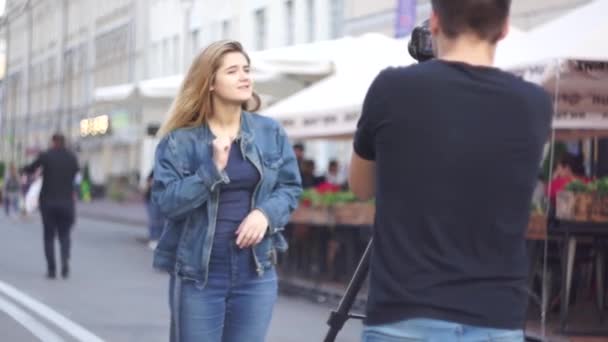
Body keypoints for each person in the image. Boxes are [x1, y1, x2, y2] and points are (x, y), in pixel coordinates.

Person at [348, 1, 553, 341]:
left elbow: (360, 186)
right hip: (496, 317)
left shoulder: (391, 88)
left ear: (435, 22)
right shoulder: (535, 103)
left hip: (405, 313)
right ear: (504, 28)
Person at [152, 40, 302, 342]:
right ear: (209, 82)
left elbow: (290, 187)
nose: (245, 76)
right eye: (232, 71)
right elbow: (167, 203)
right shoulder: (179, 142)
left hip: (255, 272)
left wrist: (264, 214)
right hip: (199, 275)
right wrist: (211, 170)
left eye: (246, 69)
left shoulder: (269, 132)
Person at [22, 134, 79, 279]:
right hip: (67, 203)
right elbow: (76, 174)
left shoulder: (46, 156)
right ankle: (65, 261)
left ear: (53, 142)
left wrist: (23, 169)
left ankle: (52, 270)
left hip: (48, 202)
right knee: (65, 235)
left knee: (48, 237)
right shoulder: (71, 158)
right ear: (64, 142)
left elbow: (31, 168)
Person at [143, 170, 163, 250]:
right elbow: (149, 181)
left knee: (161, 220)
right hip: (151, 198)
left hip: (160, 198)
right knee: (154, 219)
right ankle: (153, 239)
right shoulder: (155, 170)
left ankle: (159, 239)